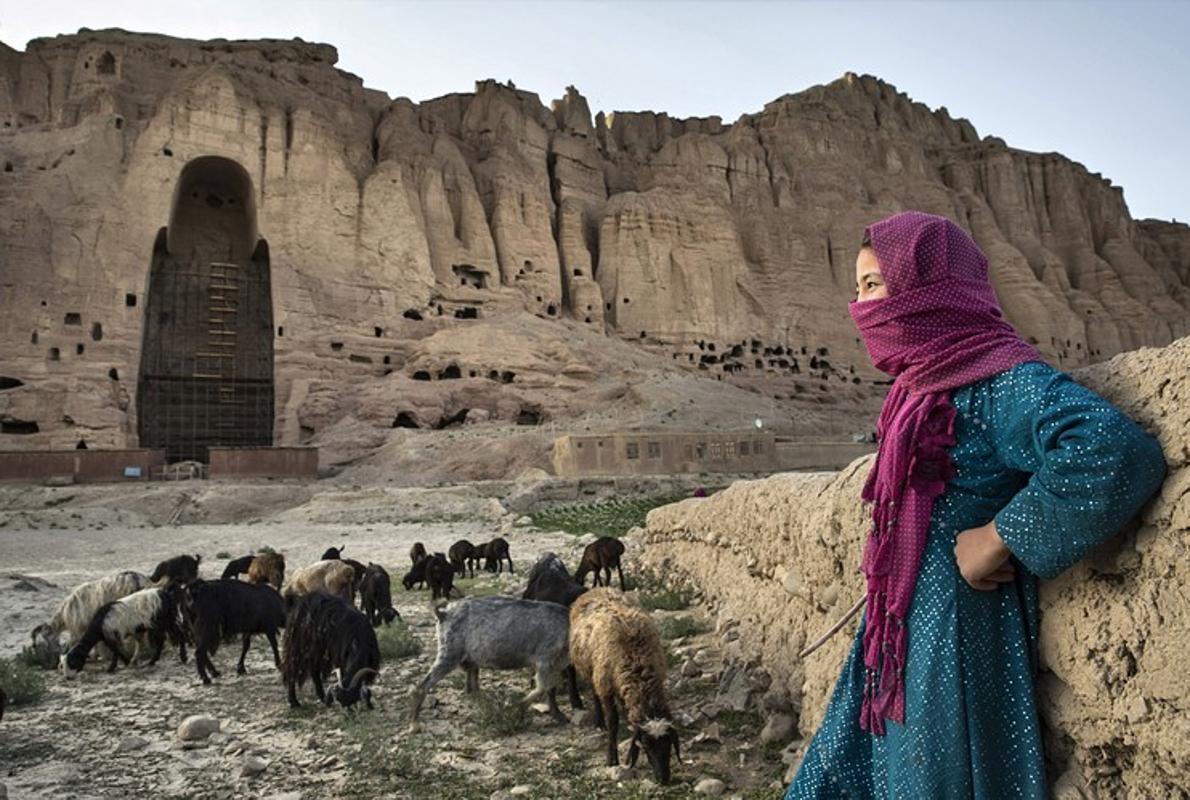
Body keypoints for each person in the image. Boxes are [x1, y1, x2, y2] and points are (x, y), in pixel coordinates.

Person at [784, 211, 1167, 799]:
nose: (859, 304)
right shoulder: (922, 384)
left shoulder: (995, 376)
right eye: (858, 287)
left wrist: (996, 537)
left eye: (872, 286)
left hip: (955, 635)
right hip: (899, 624)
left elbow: (1112, 448)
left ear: (925, 290)